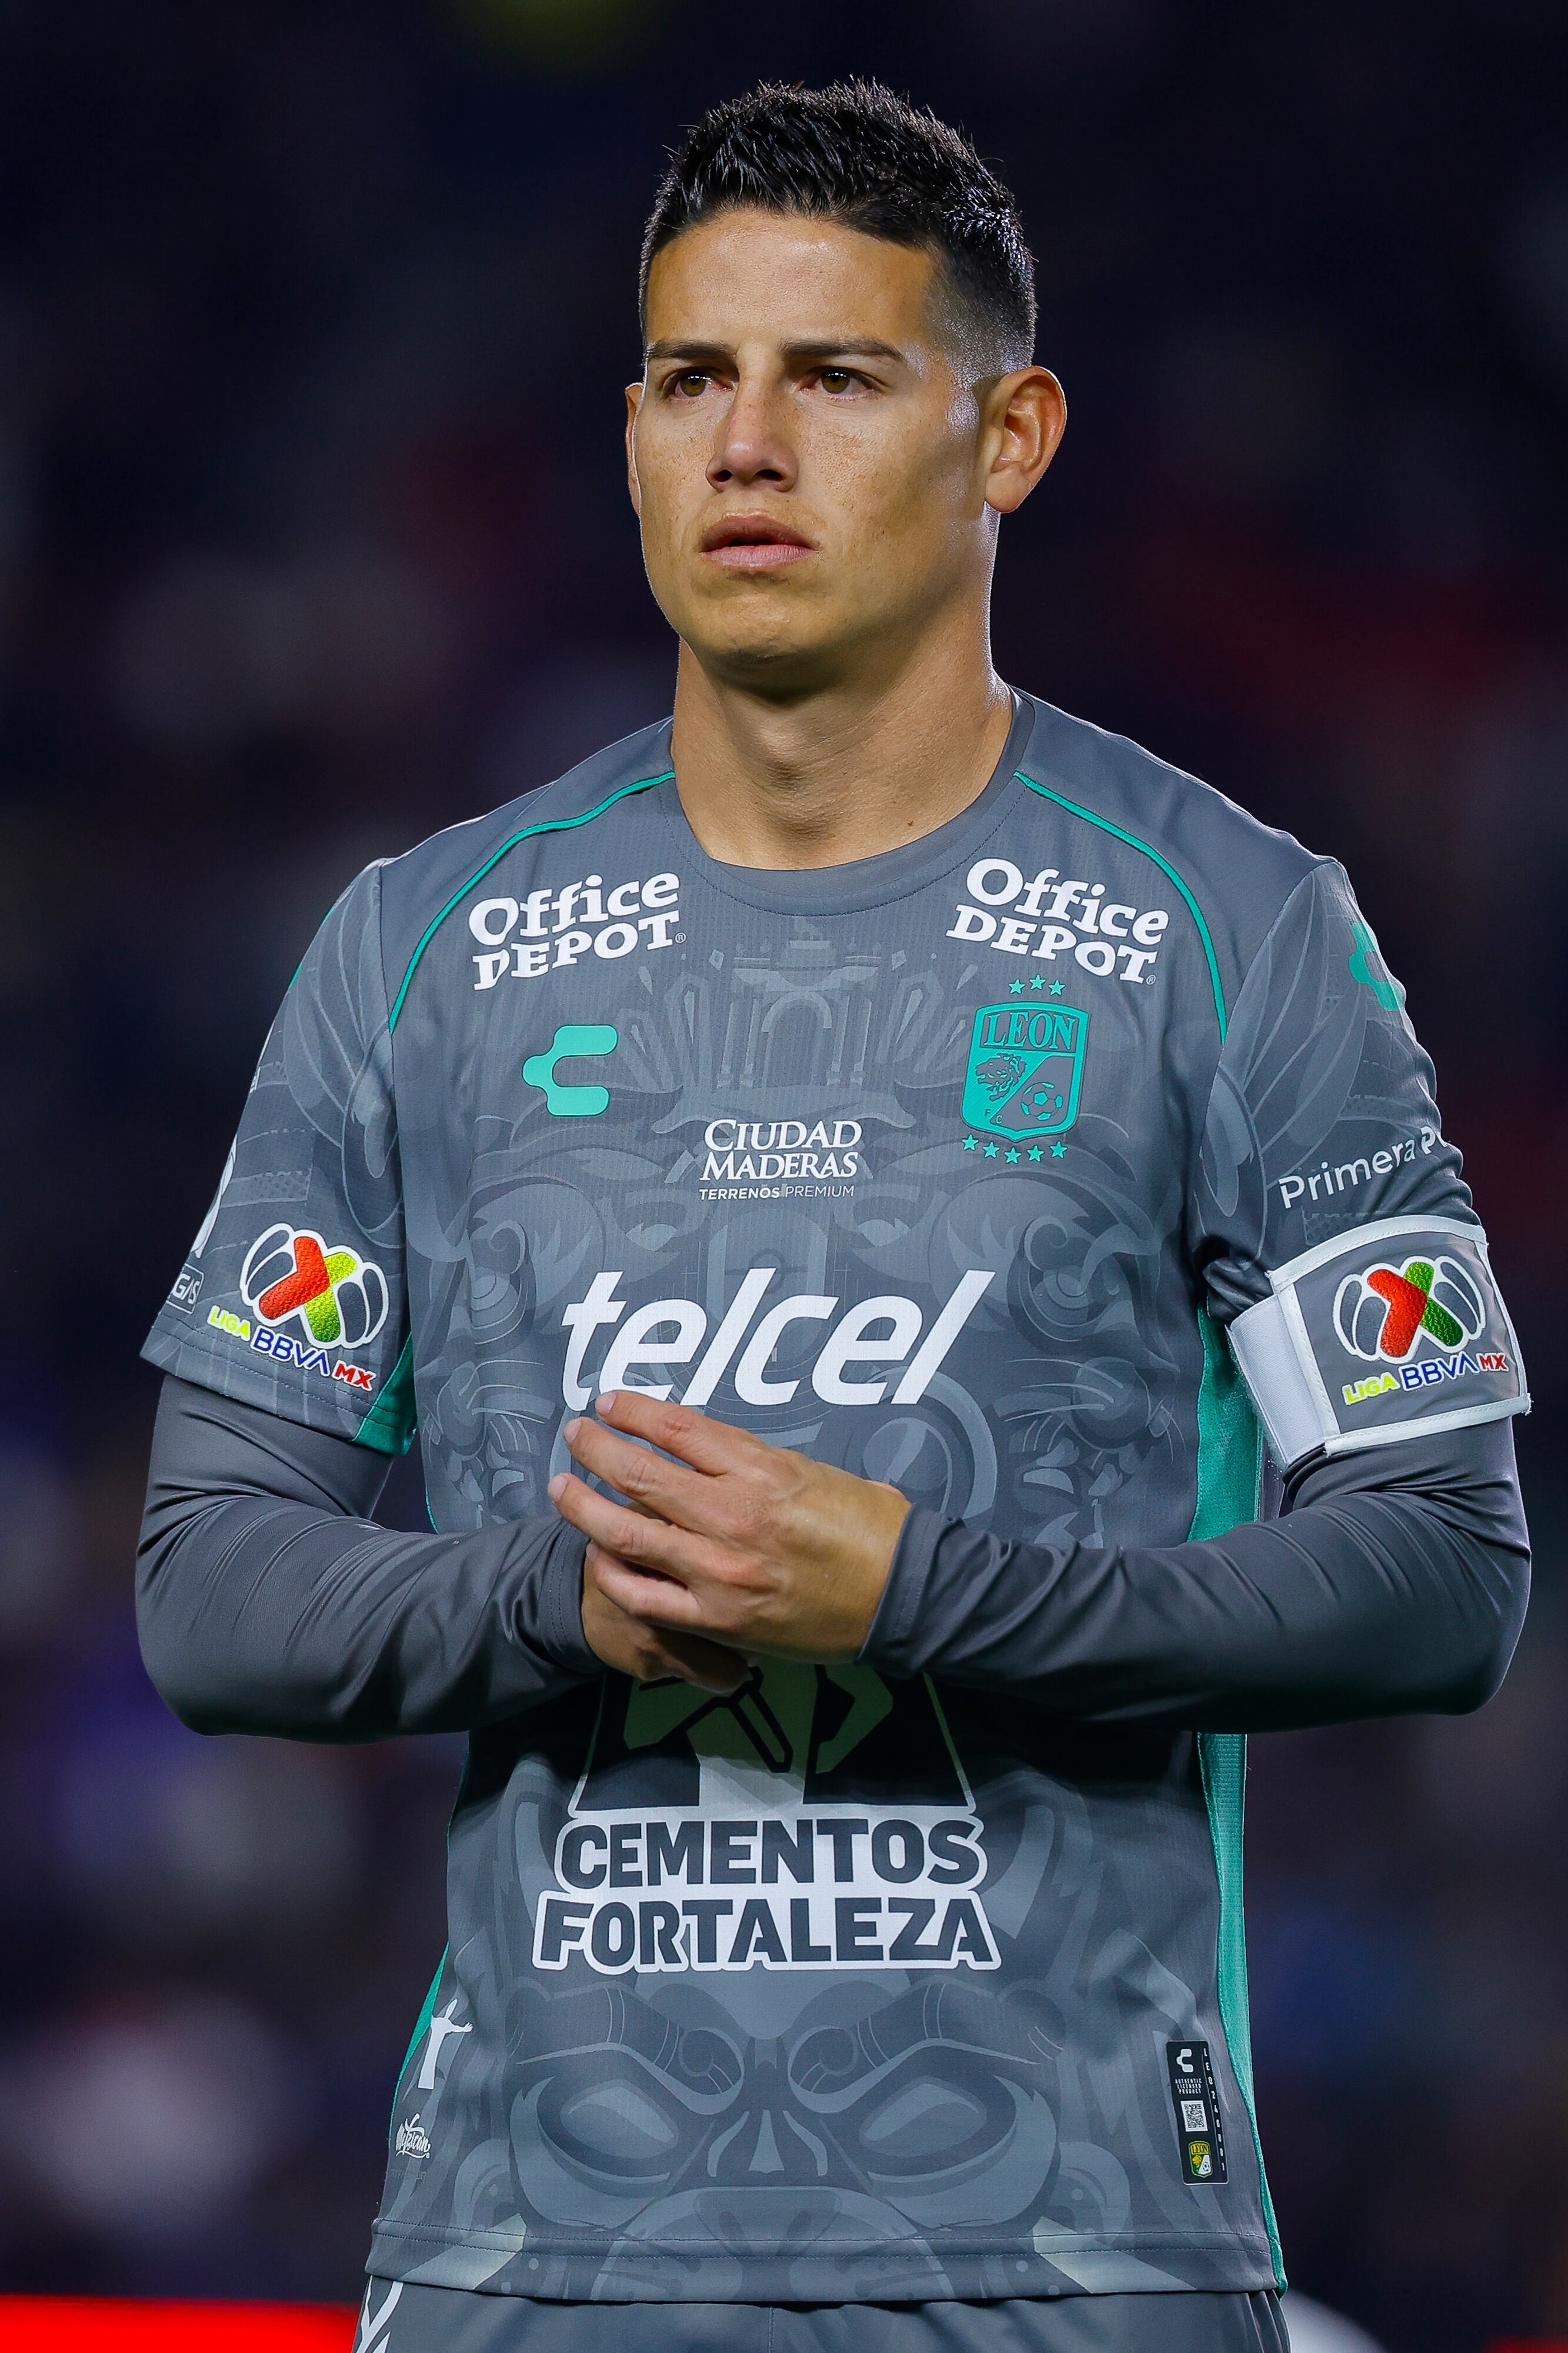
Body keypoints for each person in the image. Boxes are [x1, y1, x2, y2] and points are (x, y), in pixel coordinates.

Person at [136, 81, 1530, 2353]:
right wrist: (568, 1602)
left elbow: (1439, 1570)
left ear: (1010, 437)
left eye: (837, 376)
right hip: (527, 2270)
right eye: (691, 378)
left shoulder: (1231, 930)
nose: (745, 445)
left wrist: (909, 1590)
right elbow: (211, 1588)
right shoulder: (423, 945)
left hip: (1071, 2265)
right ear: (630, 432)